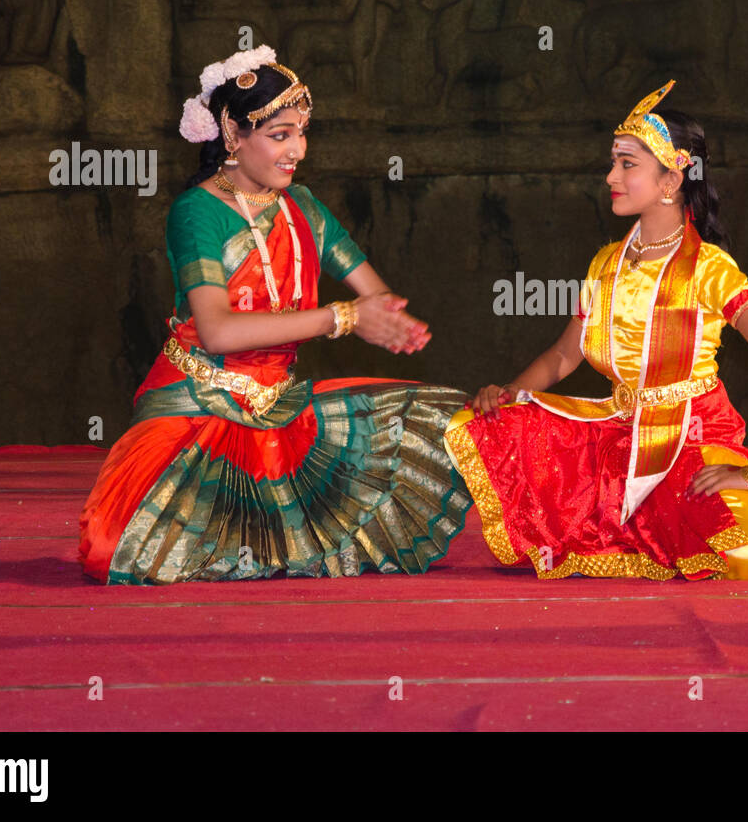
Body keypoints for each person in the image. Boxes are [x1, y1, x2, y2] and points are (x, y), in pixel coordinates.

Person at [78, 46, 472, 584]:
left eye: (302, 133)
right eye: (281, 135)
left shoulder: (303, 208)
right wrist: (344, 318)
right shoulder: (196, 212)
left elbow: (372, 293)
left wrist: (388, 319)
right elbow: (217, 329)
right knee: (122, 547)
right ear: (234, 137)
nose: (298, 150)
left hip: (278, 407)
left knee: (436, 424)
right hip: (196, 405)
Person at [445, 80, 748, 581]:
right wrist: (510, 393)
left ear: (670, 182)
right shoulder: (607, 263)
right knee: (493, 422)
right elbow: (564, 357)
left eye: (627, 164)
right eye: (613, 163)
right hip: (619, 428)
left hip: (692, 436)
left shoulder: (709, 269)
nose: (611, 175)